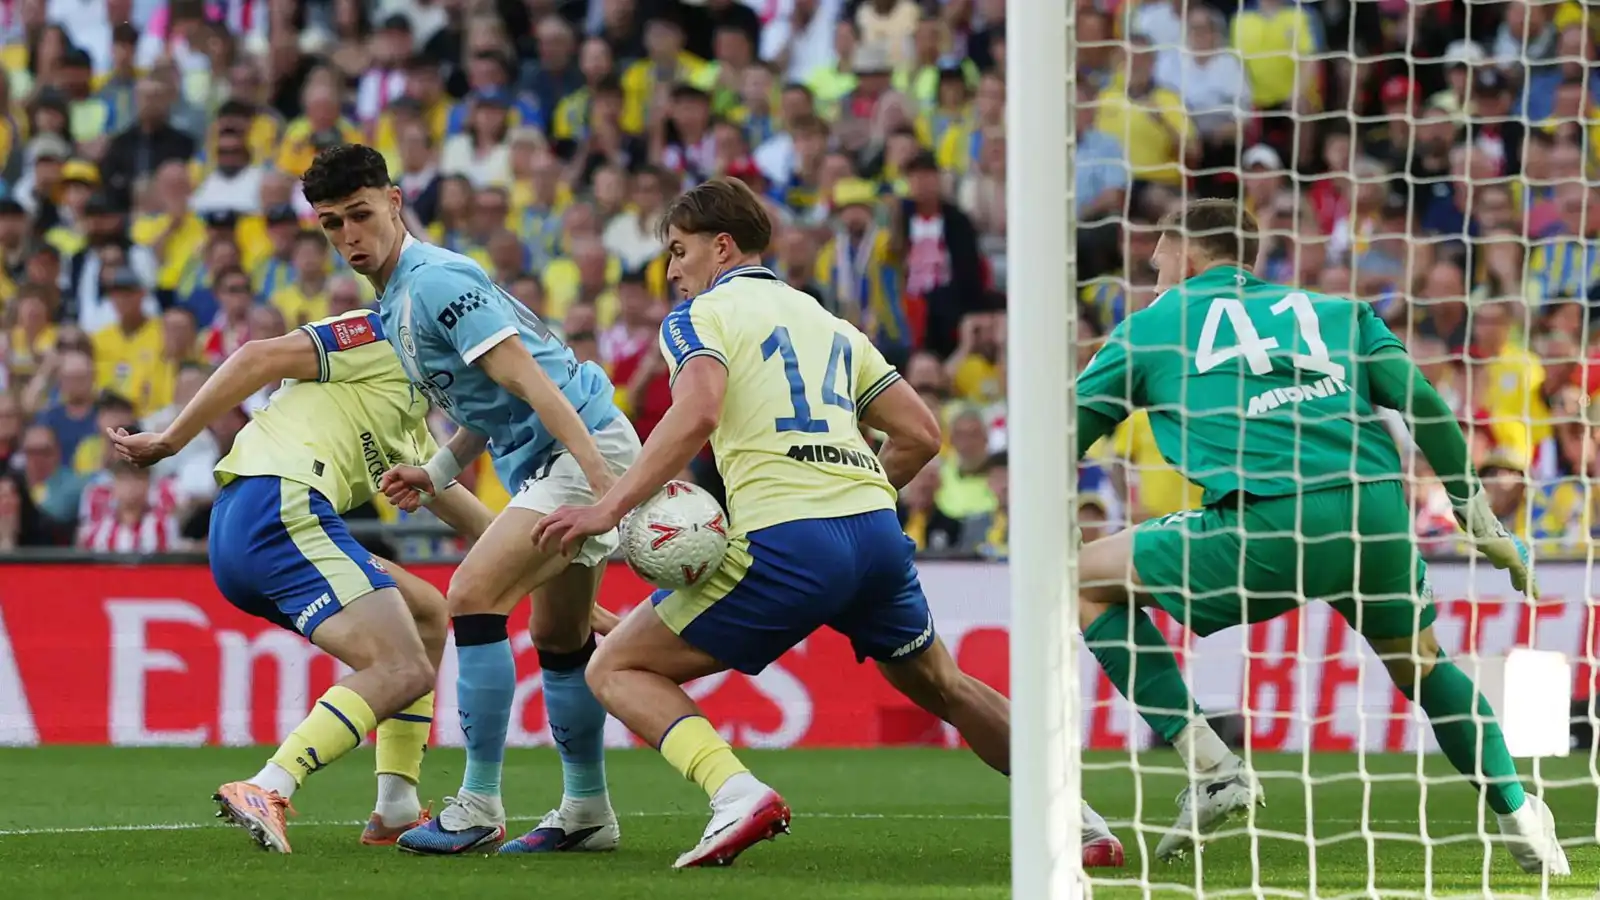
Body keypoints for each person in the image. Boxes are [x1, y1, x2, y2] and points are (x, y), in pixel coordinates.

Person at [532, 177, 1124, 870]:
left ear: (721, 247)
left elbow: (696, 411)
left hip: (786, 539)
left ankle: (735, 794)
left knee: (616, 667)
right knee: (946, 685)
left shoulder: (699, 317)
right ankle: (1079, 820)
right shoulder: (830, 323)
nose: (672, 270)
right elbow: (921, 434)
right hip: (872, 532)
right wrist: (853, 493)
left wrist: (609, 506)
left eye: (678, 250)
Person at [1069, 197, 1567, 875]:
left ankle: (1213, 768)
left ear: (1187, 252)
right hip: (1375, 514)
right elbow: (1420, 402)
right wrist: (1480, 519)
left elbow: (1064, 432)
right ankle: (1518, 812)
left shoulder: (1152, 327)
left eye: (1156, 259)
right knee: (1424, 666)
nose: (1152, 275)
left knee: (1082, 578)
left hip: (1269, 522)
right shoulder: (1335, 311)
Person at [299, 144, 640, 856]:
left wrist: (603, 485)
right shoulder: (397, 297)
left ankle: (478, 803)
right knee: (558, 639)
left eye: (360, 215)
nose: (348, 237)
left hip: (578, 449)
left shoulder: (434, 282)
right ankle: (588, 813)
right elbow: (486, 398)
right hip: (565, 454)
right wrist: (441, 466)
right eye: (332, 224)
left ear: (395, 202)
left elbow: (535, 384)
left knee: (473, 595)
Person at [107, 308, 498, 854]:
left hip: (252, 523)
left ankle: (396, 805)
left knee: (427, 610)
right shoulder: (383, 332)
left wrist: (578, 599)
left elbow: (484, 527)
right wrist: (172, 439)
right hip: (281, 503)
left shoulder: (410, 425)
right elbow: (256, 357)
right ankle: (268, 785)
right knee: (401, 666)